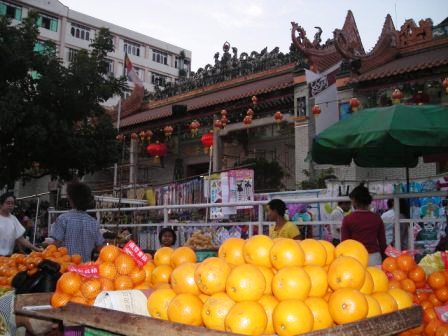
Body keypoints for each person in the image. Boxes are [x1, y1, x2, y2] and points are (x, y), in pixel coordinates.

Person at [50, 181, 104, 262]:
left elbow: (56, 244)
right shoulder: (93, 222)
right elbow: (100, 247)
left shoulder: (63, 219)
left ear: (71, 200)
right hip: (85, 269)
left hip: (67, 268)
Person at [341, 183, 387, 266]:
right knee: (376, 279)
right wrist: (385, 258)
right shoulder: (376, 218)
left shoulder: (348, 219)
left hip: (356, 258)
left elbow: (344, 243)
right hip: (374, 257)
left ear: (354, 201)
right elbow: (382, 243)